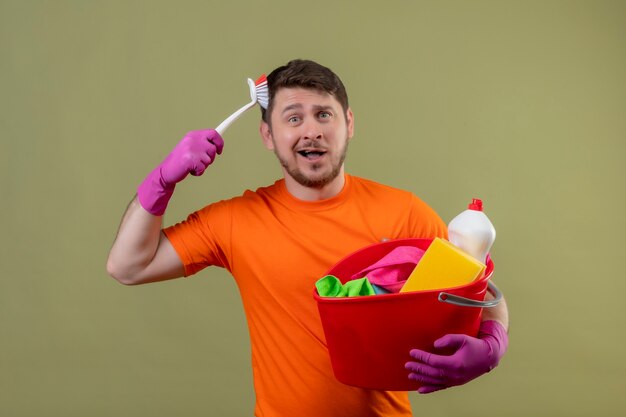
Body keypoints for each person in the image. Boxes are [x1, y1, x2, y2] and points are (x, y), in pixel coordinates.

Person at [107, 59, 509, 417]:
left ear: (348, 123)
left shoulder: (404, 212)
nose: (311, 131)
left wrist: (493, 344)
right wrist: (161, 180)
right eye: (294, 118)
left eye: (323, 115)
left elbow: (482, 291)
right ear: (268, 134)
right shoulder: (235, 220)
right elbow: (128, 266)